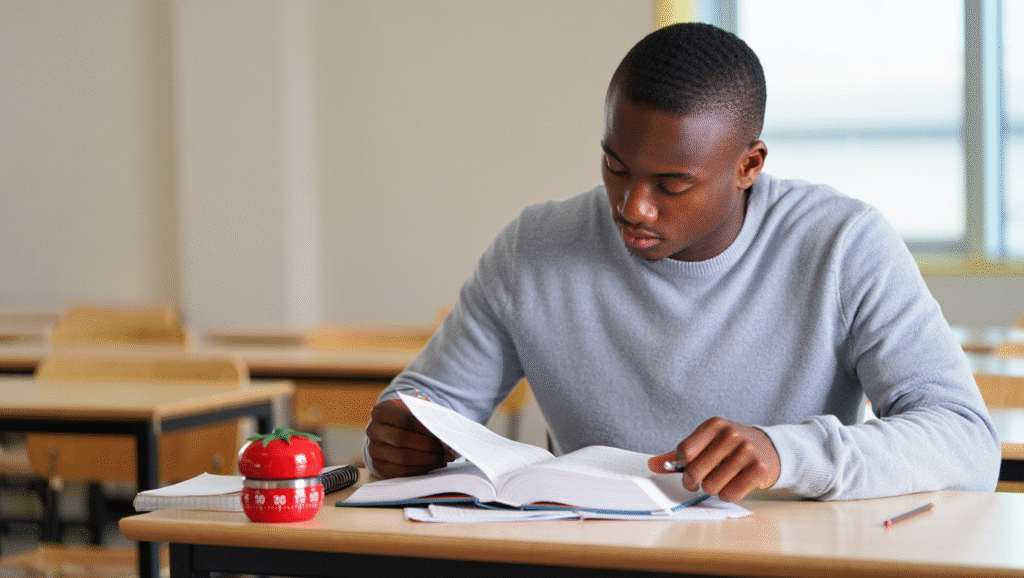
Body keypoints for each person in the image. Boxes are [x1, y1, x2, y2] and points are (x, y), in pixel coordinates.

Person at [363, 22, 1000, 501]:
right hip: (589, 558)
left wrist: (787, 450)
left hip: (779, 559)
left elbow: (967, 442)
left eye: (672, 184)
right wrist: (405, 433)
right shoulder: (534, 247)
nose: (634, 207)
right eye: (616, 167)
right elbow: (430, 403)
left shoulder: (843, 244)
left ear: (749, 165)